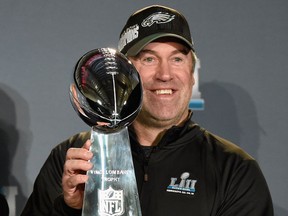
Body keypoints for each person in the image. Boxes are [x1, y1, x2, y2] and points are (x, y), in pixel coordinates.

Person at [21, 5, 274, 216]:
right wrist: (70, 209)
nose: (165, 75)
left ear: (191, 73)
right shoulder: (74, 160)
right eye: (149, 59)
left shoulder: (235, 170)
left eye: (177, 59)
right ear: (123, 73)